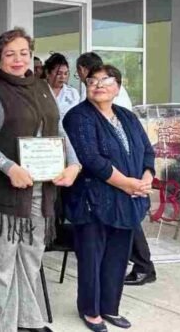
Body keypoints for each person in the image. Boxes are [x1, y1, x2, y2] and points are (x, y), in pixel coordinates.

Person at [0, 29, 81, 332]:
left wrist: (74, 164)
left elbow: (59, 130)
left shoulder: (42, 87)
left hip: (43, 190)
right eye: (9, 54)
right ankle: (2, 324)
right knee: (2, 263)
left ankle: (28, 319)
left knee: (31, 257)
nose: (17, 59)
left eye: (23, 52)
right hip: (8, 191)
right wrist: (8, 167)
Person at [63, 64, 154, 331]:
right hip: (92, 200)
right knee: (92, 257)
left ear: (118, 86)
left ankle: (109, 308)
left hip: (128, 200)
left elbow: (147, 151)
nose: (99, 85)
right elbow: (91, 159)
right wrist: (127, 183)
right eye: (92, 80)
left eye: (106, 80)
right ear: (86, 86)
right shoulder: (79, 117)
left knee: (117, 257)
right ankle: (90, 311)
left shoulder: (126, 116)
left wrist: (146, 179)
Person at [44, 52, 80, 120]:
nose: (63, 77)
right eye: (59, 73)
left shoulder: (73, 93)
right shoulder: (38, 92)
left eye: (65, 73)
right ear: (47, 73)